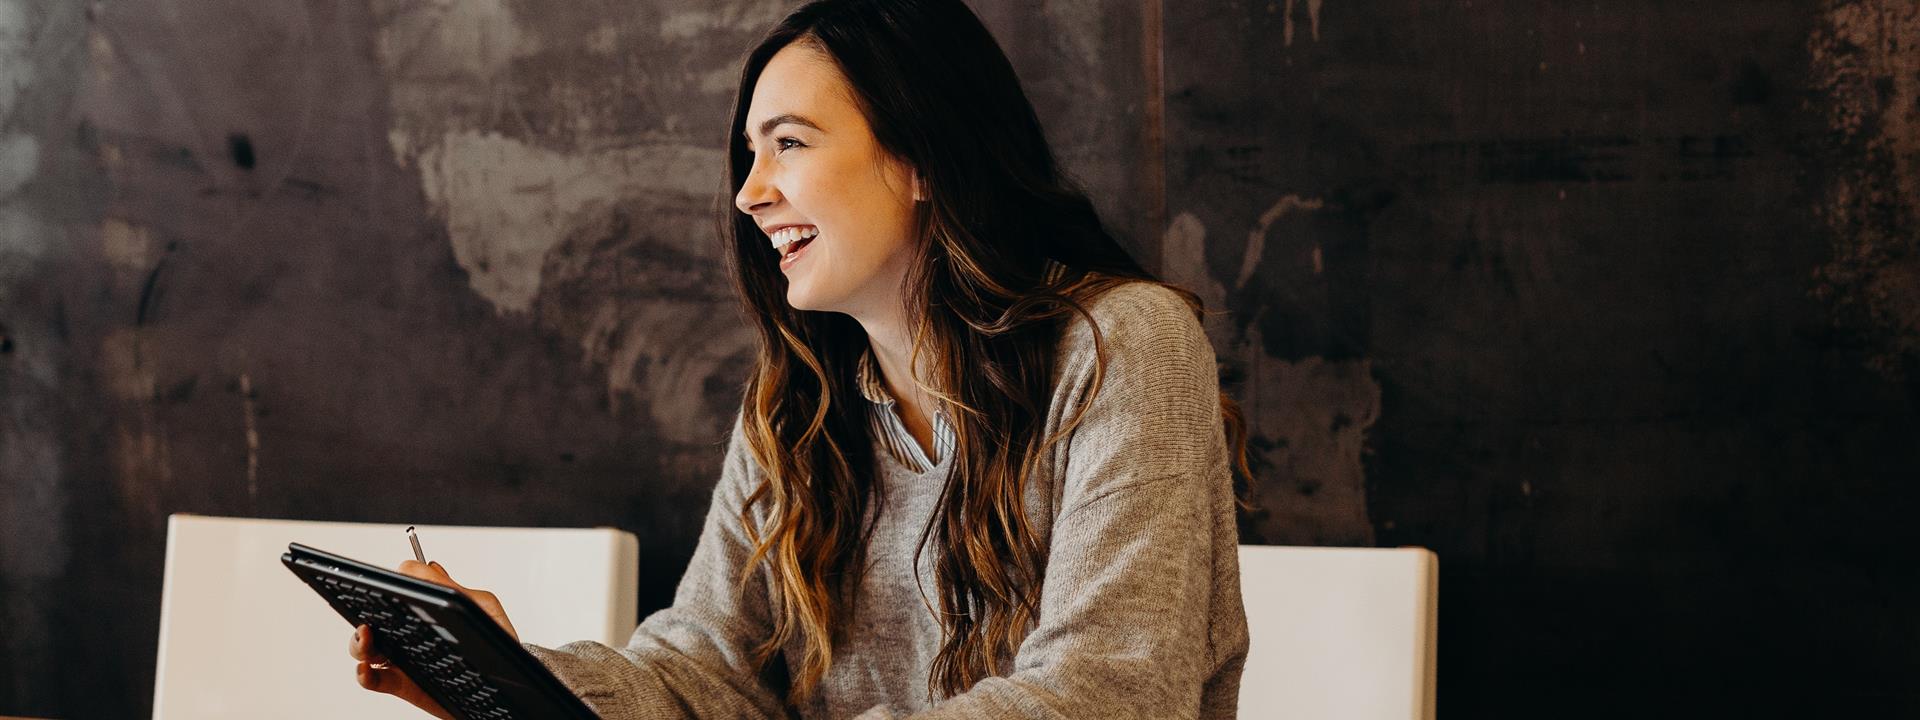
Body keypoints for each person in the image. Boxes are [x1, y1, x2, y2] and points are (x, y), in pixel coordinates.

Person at [348, 0, 1253, 716]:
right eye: (749, 153)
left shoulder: (1121, 345)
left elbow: (1112, 695)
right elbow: (702, 677)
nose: (749, 193)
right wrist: (509, 681)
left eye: (788, 143)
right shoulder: (798, 403)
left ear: (919, 156)